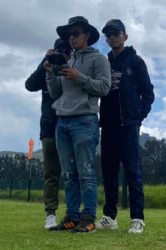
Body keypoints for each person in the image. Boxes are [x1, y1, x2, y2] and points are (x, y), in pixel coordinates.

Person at [44, 16, 111, 233]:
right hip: (62, 121)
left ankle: (88, 217)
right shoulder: (69, 61)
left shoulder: (99, 59)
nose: (71, 38)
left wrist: (79, 77)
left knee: (86, 172)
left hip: (85, 121)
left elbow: (103, 88)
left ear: (87, 36)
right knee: (68, 174)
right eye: (69, 35)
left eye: (76, 34)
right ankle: (72, 217)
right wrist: (50, 75)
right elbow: (56, 94)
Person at [96, 19, 154, 234]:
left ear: (125, 36)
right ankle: (109, 217)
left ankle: (137, 218)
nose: (111, 38)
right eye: (108, 35)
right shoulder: (104, 62)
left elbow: (148, 93)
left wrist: (138, 117)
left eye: (115, 33)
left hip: (128, 125)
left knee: (132, 172)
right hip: (108, 126)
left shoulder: (135, 61)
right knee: (109, 173)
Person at [25, 38, 71, 230]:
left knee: (71, 174)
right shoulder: (46, 68)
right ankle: (50, 214)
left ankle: (73, 213)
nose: (62, 54)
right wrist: (45, 62)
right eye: (59, 50)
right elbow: (29, 85)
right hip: (50, 127)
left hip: (70, 124)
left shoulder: (73, 68)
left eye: (66, 51)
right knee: (51, 174)